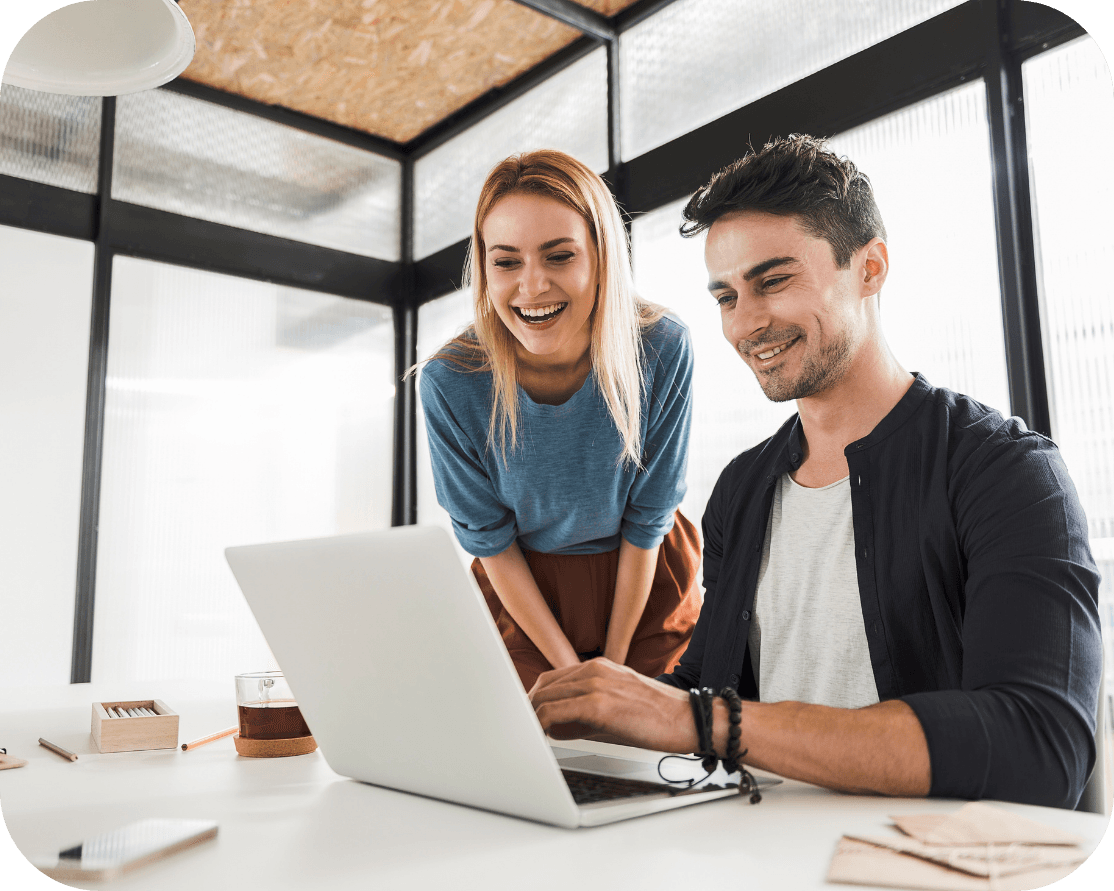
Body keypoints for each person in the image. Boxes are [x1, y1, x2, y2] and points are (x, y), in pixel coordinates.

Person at [529, 135, 1103, 809]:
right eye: (725, 296)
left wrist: (700, 719)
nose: (746, 323)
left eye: (773, 281)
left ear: (871, 267)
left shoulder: (1004, 471)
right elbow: (708, 689)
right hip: (758, 852)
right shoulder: (744, 487)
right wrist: (602, 709)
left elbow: (1038, 747)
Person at [419, 150, 701, 691]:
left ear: (601, 257)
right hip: (524, 593)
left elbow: (649, 519)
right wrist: (574, 672)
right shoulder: (450, 381)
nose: (532, 287)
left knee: (653, 740)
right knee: (539, 747)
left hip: (644, 577)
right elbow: (491, 541)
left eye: (559, 256)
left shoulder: (663, 347)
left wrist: (613, 671)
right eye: (506, 262)